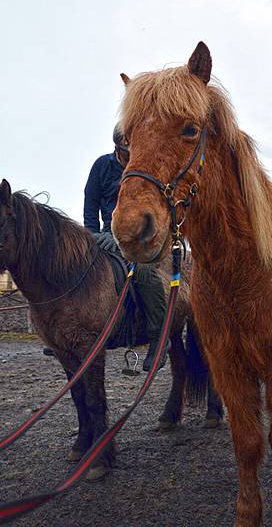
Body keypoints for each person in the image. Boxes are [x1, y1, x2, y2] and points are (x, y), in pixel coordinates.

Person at [83, 124, 167, 371]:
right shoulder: (102, 166)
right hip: (106, 235)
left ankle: (158, 340)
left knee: (145, 274)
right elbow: (91, 203)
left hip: (136, 238)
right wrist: (94, 236)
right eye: (128, 150)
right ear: (118, 148)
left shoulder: (146, 167)